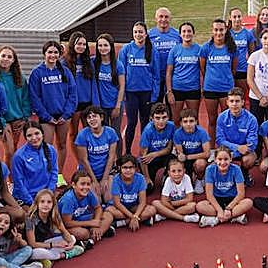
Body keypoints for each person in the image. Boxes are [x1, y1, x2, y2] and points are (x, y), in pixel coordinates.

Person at [28, 40, 77, 176]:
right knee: (46, 147)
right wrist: (46, 116)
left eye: (55, 52)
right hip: (47, 117)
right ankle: (46, 173)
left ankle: (59, 174)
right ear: (44, 53)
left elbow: (72, 94)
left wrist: (66, 114)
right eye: (50, 52)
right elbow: (34, 97)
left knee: (61, 145)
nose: (53, 55)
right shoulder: (37, 73)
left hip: (63, 116)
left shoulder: (65, 72)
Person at [117, 22, 161, 155]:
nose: (138, 34)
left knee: (145, 123)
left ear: (146, 34)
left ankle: (144, 151)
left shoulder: (152, 51)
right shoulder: (126, 49)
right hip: (131, 93)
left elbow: (156, 75)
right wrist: (122, 92)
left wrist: (154, 95)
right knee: (131, 123)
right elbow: (121, 72)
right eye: (135, 32)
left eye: (140, 32)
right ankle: (128, 152)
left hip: (146, 93)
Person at [0, 45, 31, 163]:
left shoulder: (20, 77)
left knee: (13, 150)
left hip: (18, 119)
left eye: (9, 57)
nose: (6, 59)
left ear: (13, 60)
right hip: (2, 119)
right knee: (9, 150)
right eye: (3, 56)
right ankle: (5, 179)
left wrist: (25, 117)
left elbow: (25, 98)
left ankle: (10, 179)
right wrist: (1, 121)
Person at [197, 147, 253, 226]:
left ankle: (216, 218)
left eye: (226, 159)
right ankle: (233, 217)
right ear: (215, 160)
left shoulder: (236, 169)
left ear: (231, 159)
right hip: (217, 199)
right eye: (219, 159)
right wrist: (219, 210)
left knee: (248, 202)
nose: (223, 162)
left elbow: (241, 194)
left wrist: (229, 208)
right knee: (200, 206)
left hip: (232, 200)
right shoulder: (210, 169)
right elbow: (209, 195)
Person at [199, 18, 239, 131]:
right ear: (212, 31)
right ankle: (212, 147)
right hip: (210, 88)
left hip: (226, 89)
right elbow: (203, 68)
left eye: (221, 30)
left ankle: (227, 146)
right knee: (212, 120)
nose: (218, 33)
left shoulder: (232, 48)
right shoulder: (206, 48)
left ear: (226, 30)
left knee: (228, 120)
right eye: (216, 30)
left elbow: (233, 69)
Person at [74, 106, 120, 200]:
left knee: (109, 198)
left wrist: (104, 179)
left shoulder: (111, 132)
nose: (92, 119)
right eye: (89, 117)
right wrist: (94, 181)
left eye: (94, 116)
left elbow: (111, 157)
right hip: (88, 173)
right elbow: (84, 160)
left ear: (101, 118)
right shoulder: (82, 135)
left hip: (106, 172)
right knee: (96, 201)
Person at [58, 169, 114, 244]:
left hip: (84, 218)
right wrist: (90, 223)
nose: (86, 187)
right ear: (74, 185)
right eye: (82, 184)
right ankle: (98, 234)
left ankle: (94, 235)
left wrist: (96, 223)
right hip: (70, 225)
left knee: (108, 215)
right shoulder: (68, 200)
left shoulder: (89, 193)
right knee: (83, 233)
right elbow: (67, 223)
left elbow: (98, 208)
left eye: (88, 184)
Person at [11, 121, 60, 208]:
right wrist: (32, 202)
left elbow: (54, 173)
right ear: (25, 138)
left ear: (42, 134)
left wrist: (48, 194)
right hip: (27, 198)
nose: (34, 138)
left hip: (45, 194)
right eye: (29, 135)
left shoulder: (51, 150)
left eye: (37, 133)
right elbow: (18, 183)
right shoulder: (19, 156)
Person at [27, 188, 84, 258]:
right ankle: (64, 255)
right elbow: (32, 244)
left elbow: (64, 231)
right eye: (42, 202)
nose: (45, 205)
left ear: (53, 204)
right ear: (37, 203)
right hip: (35, 248)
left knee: (72, 238)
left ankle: (49, 257)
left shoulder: (54, 215)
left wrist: (71, 243)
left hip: (46, 243)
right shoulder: (30, 219)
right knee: (40, 253)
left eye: (49, 202)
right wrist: (54, 245)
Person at [215, 88, 260, 174]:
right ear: (227, 102)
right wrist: (236, 149)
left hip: (245, 151)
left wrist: (240, 150)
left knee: (248, 160)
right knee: (220, 158)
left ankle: (244, 174)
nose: (234, 104)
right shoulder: (221, 117)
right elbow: (220, 140)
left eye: (237, 101)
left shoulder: (251, 119)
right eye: (231, 101)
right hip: (227, 150)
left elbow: (252, 143)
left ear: (242, 102)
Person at [166, 21, 202, 125]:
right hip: (177, 89)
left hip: (193, 89)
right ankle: (177, 141)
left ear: (193, 33)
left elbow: (203, 70)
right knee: (176, 120)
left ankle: (195, 141)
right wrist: (169, 92)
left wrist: (203, 87)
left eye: (189, 31)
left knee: (194, 120)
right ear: (180, 34)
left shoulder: (199, 49)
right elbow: (169, 73)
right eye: (184, 31)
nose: (187, 34)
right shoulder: (174, 50)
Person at [110, 154, 157, 231]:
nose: (128, 170)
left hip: (134, 207)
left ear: (135, 168)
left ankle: (122, 223)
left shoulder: (140, 178)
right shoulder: (116, 179)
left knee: (152, 210)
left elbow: (142, 202)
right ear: (119, 168)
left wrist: (135, 216)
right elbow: (117, 203)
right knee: (110, 211)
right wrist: (133, 217)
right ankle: (142, 220)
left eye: (131, 167)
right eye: (125, 167)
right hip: (121, 208)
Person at [65, 33, 95, 142]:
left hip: (87, 103)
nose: (81, 46)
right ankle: (78, 159)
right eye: (79, 44)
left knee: (90, 132)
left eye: (84, 44)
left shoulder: (88, 62)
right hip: (74, 104)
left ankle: (89, 156)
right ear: (72, 44)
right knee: (73, 133)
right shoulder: (65, 63)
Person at [172, 108, 211, 192]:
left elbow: (207, 153)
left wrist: (187, 157)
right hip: (185, 159)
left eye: (191, 121)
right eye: (185, 121)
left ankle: (199, 180)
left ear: (196, 122)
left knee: (200, 164)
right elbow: (180, 154)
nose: (188, 124)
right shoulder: (177, 134)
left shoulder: (202, 132)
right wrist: (183, 158)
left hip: (198, 158)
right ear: (181, 123)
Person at [151, 157, 200, 223]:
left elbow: (190, 198)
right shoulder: (168, 180)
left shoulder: (187, 178)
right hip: (169, 206)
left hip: (182, 205)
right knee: (155, 203)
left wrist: (173, 203)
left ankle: (165, 215)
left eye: (179, 171)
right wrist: (171, 206)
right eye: (173, 171)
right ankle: (183, 218)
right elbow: (164, 200)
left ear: (184, 171)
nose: (177, 174)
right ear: (169, 172)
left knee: (192, 206)